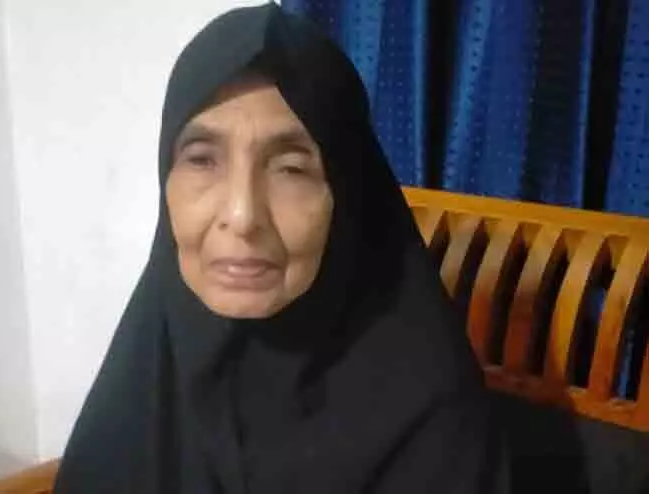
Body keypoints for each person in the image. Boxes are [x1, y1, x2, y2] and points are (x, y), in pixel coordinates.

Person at [54, 3, 509, 493]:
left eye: (290, 169)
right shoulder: (150, 358)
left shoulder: (431, 417)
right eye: (202, 160)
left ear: (347, 197)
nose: (242, 215)